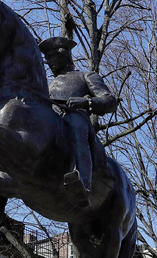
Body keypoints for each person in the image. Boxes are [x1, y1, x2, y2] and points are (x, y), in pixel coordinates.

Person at [38, 36, 120, 210]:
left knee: (74, 123)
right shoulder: (47, 86)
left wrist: (85, 102)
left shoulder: (86, 76)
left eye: (52, 57)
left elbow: (109, 101)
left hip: (76, 119)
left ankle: (84, 185)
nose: (49, 62)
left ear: (64, 55)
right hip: (51, 122)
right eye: (47, 58)